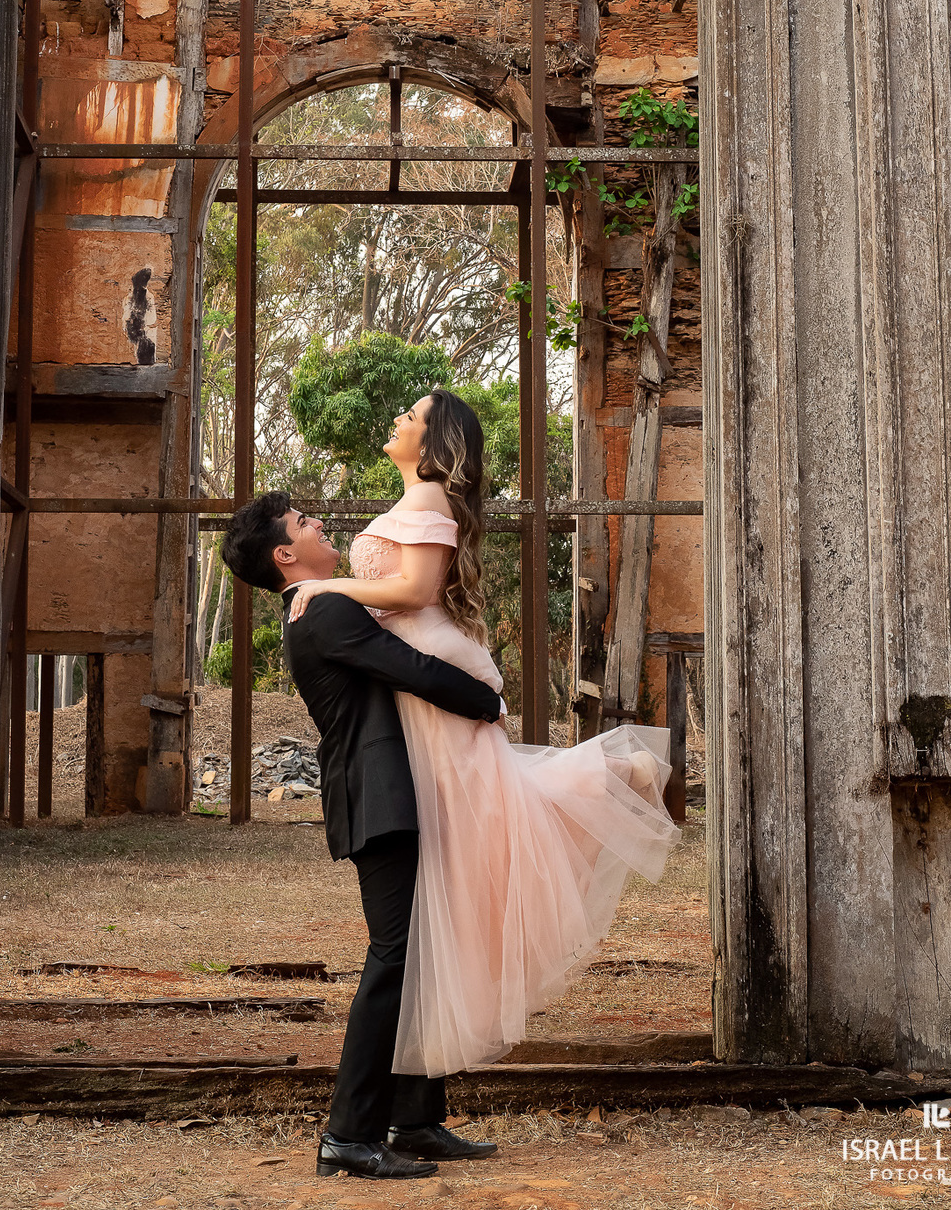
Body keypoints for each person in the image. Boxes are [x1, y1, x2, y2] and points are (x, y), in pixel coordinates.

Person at [286, 386, 681, 1080]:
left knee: (486, 814)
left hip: (437, 663)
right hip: (425, 668)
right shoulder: (415, 503)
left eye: (410, 415)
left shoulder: (431, 499)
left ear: (435, 443)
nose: (398, 417)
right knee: (475, 826)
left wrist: (332, 586)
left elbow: (411, 592)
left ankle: (609, 778)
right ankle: (417, 1106)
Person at [221, 492, 503, 1183]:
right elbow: (409, 669)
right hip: (378, 799)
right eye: (304, 523)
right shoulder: (325, 608)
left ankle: (416, 1118)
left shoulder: (326, 602)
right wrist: (486, 698)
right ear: (285, 554)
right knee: (395, 956)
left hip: (391, 795)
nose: (319, 525)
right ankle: (348, 1135)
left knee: (420, 952)